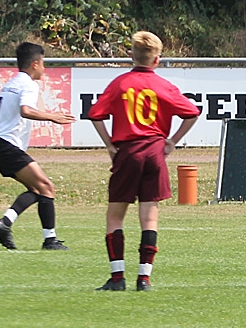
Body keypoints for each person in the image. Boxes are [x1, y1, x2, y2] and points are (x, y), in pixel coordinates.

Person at [84, 31, 201, 291]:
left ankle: (117, 278)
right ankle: (144, 278)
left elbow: (95, 115)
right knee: (149, 218)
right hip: (154, 152)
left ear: (130, 56)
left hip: (128, 152)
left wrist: (109, 144)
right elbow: (192, 113)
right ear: (157, 60)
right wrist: (172, 141)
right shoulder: (164, 86)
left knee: (115, 216)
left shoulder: (120, 84)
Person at [0, 41, 76, 250]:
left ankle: (4, 223)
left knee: (38, 189)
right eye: (43, 63)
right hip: (7, 147)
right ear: (35, 64)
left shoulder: (10, 84)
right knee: (46, 186)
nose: (45, 69)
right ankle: (50, 240)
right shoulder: (28, 84)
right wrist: (53, 117)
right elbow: (26, 110)